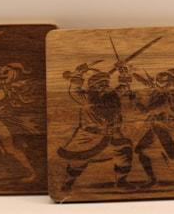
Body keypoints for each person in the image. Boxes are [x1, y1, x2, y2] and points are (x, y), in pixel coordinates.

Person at [57, 61, 137, 191]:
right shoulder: (86, 98)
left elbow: (124, 86)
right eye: (100, 84)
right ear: (92, 87)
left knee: (124, 153)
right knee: (79, 160)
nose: (104, 87)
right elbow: (74, 90)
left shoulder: (113, 95)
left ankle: (121, 181)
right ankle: (68, 183)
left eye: (106, 84)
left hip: (113, 133)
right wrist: (79, 73)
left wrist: (123, 72)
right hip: (89, 136)